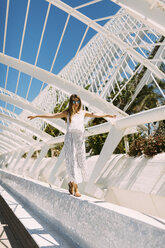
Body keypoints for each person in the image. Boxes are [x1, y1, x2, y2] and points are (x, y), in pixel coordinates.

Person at [28, 94, 116, 197]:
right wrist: (37, 116)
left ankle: (71, 183)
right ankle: (76, 188)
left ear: (80, 102)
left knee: (80, 161)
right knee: (72, 162)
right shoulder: (67, 113)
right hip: (70, 139)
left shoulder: (83, 112)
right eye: (73, 102)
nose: (76, 104)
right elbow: (53, 116)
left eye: (77, 101)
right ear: (71, 103)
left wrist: (108, 115)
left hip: (80, 139)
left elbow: (95, 114)